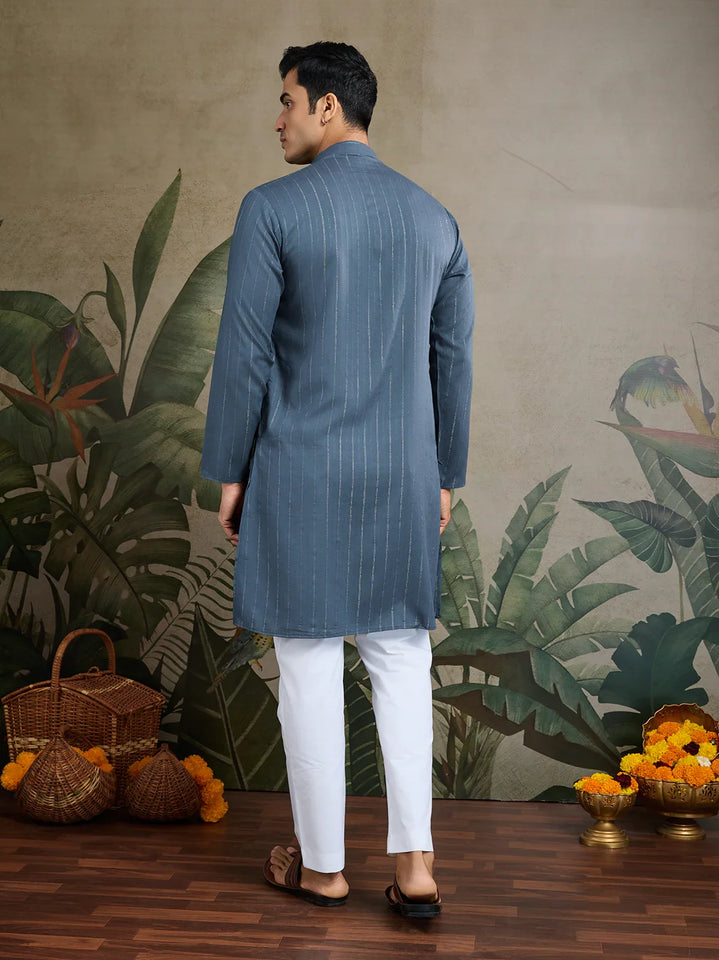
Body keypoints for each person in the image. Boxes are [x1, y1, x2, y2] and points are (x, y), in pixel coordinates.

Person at [201, 41, 474, 918]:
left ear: (328, 106)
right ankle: (417, 868)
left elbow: (245, 352)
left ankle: (323, 869)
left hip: (301, 468)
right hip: (404, 473)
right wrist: (446, 474)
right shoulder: (434, 219)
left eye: (287, 100)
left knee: (310, 664)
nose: (277, 119)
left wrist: (230, 471)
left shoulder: (272, 209)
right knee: (402, 658)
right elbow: (452, 358)